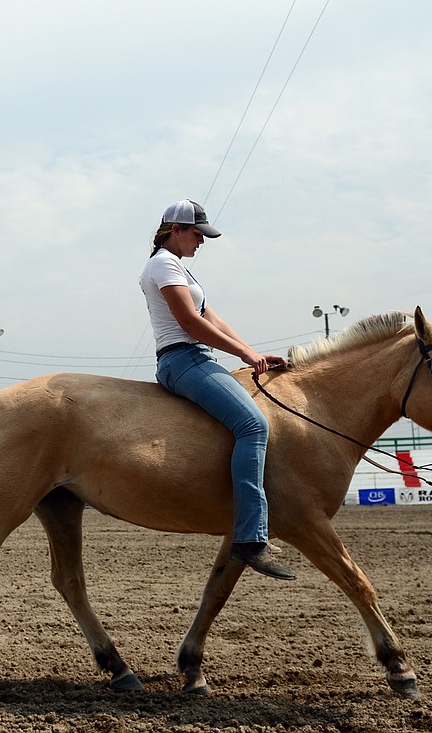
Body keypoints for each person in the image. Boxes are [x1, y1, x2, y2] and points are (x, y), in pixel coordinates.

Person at [139, 199, 295, 581]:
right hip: (182, 360)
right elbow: (190, 323)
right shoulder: (162, 265)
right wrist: (244, 353)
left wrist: (252, 353)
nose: (202, 241)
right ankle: (250, 538)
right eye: (197, 234)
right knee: (254, 427)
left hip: (196, 358)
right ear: (175, 230)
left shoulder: (180, 269)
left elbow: (212, 317)